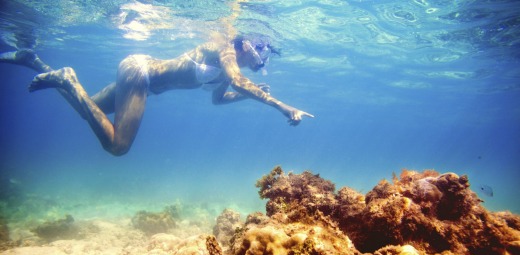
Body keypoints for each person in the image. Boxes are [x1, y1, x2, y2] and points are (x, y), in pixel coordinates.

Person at [0, 34, 314, 156]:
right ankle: (67, 77)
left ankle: (35, 62)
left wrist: (246, 96)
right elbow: (237, 78)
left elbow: (218, 99)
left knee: (87, 110)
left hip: (142, 80)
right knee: (117, 145)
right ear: (249, 46)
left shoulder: (226, 72)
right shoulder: (225, 50)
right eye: (260, 54)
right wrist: (281, 106)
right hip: (141, 72)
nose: (259, 62)